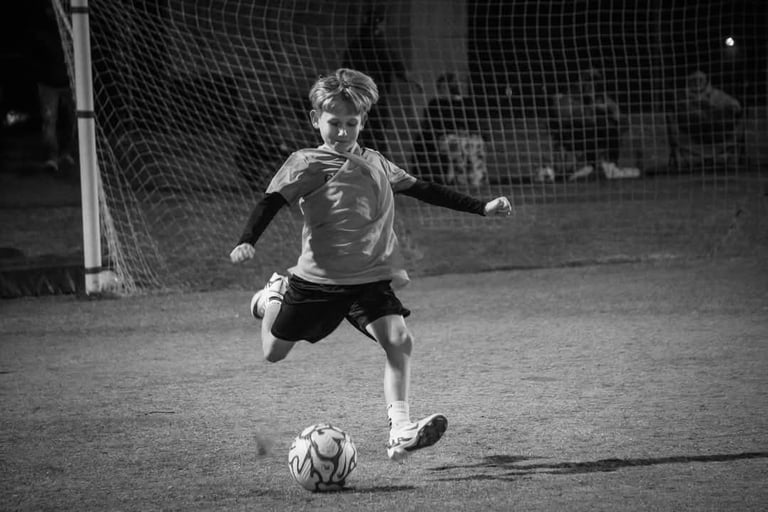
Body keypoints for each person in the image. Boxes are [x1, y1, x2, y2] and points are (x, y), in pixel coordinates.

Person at [229, 68, 512, 462]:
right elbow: (271, 201)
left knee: (399, 341)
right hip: (318, 280)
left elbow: (425, 189)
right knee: (273, 351)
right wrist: (247, 240)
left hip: (368, 279)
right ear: (315, 120)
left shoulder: (376, 161)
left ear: (362, 121)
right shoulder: (306, 162)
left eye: (351, 123)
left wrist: (480, 207)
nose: (342, 132)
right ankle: (273, 296)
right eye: (334, 123)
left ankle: (401, 431)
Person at [548, 68, 638, 180]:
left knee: (610, 127)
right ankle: (591, 165)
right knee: (601, 126)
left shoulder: (601, 97)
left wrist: (609, 112)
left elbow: (621, 118)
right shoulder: (569, 97)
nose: (592, 83)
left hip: (595, 134)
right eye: (589, 79)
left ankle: (607, 166)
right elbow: (567, 117)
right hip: (573, 134)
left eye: (595, 80)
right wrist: (593, 109)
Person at [412, 73, 487, 187]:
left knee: (476, 143)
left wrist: (466, 131)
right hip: (445, 137)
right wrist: (453, 132)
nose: (445, 90)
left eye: (447, 86)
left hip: (466, 136)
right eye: (442, 87)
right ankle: (458, 180)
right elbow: (434, 125)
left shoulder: (465, 103)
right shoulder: (435, 104)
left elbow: (472, 122)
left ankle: (477, 180)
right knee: (458, 144)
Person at [30, 4, 77, 178]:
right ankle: (52, 157)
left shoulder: (70, 28)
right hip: (48, 84)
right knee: (49, 121)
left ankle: (67, 152)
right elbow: (34, 56)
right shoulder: (41, 31)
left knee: (74, 120)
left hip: (67, 83)